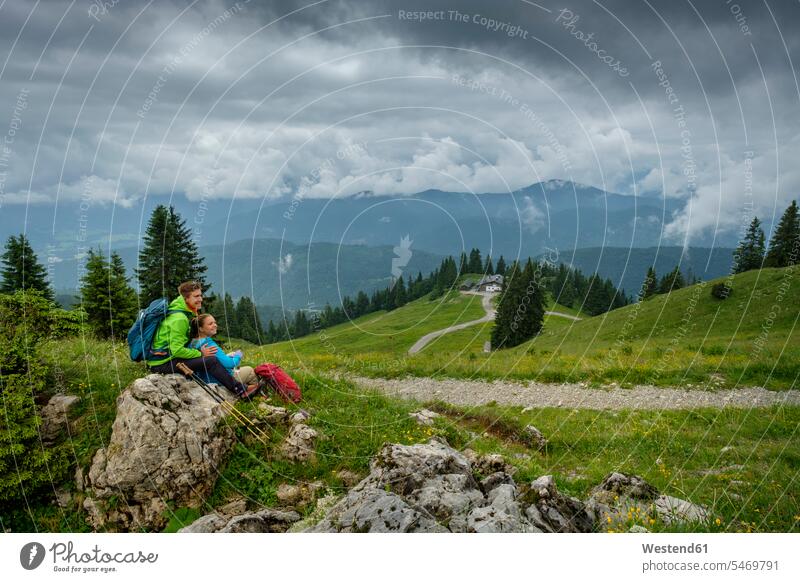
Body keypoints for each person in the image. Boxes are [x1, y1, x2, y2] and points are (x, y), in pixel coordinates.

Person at [147, 281, 260, 399]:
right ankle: (241, 390)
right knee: (211, 360)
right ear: (186, 298)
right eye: (196, 296)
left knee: (208, 360)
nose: (200, 299)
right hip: (162, 363)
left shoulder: (178, 312)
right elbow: (177, 350)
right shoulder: (179, 319)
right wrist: (200, 353)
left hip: (162, 359)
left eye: (200, 295)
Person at [189, 313, 259, 387]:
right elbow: (229, 364)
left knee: (231, 355)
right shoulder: (208, 344)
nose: (215, 325)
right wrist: (238, 355)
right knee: (250, 370)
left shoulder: (192, 344)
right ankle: (254, 394)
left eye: (215, 322)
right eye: (210, 324)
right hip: (221, 380)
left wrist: (228, 355)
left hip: (205, 379)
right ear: (201, 329)